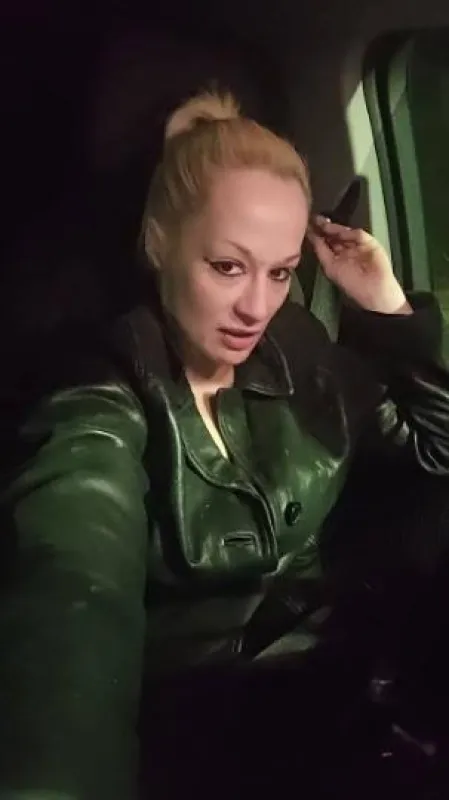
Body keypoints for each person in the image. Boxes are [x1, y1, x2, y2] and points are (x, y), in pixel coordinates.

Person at [1, 89, 449, 800]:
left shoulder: (295, 347)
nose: (257, 308)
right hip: (201, 745)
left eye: (280, 272)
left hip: (341, 694)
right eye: (228, 267)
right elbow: (72, 600)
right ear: (158, 243)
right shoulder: (98, 398)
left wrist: (388, 309)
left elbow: (436, 451)